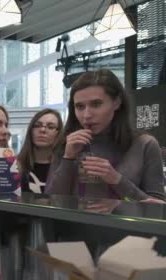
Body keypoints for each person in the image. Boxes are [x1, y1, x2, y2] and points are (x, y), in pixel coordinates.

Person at [46, 69, 166, 201]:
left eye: (96, 104)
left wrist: (116, 180)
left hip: (122, 222)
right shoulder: (67, 143)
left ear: (117, 102)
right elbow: (50, 202)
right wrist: (68, 158)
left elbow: (158, 207)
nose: (87, 115)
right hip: (70, 222)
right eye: (80, 107)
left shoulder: (144, 145)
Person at [17, 109, 63, 194]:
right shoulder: (16, 165)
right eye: (37, 125)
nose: (42, 130)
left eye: (50, 127)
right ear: (31, 130)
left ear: (59, 133)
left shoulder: (64, 167)